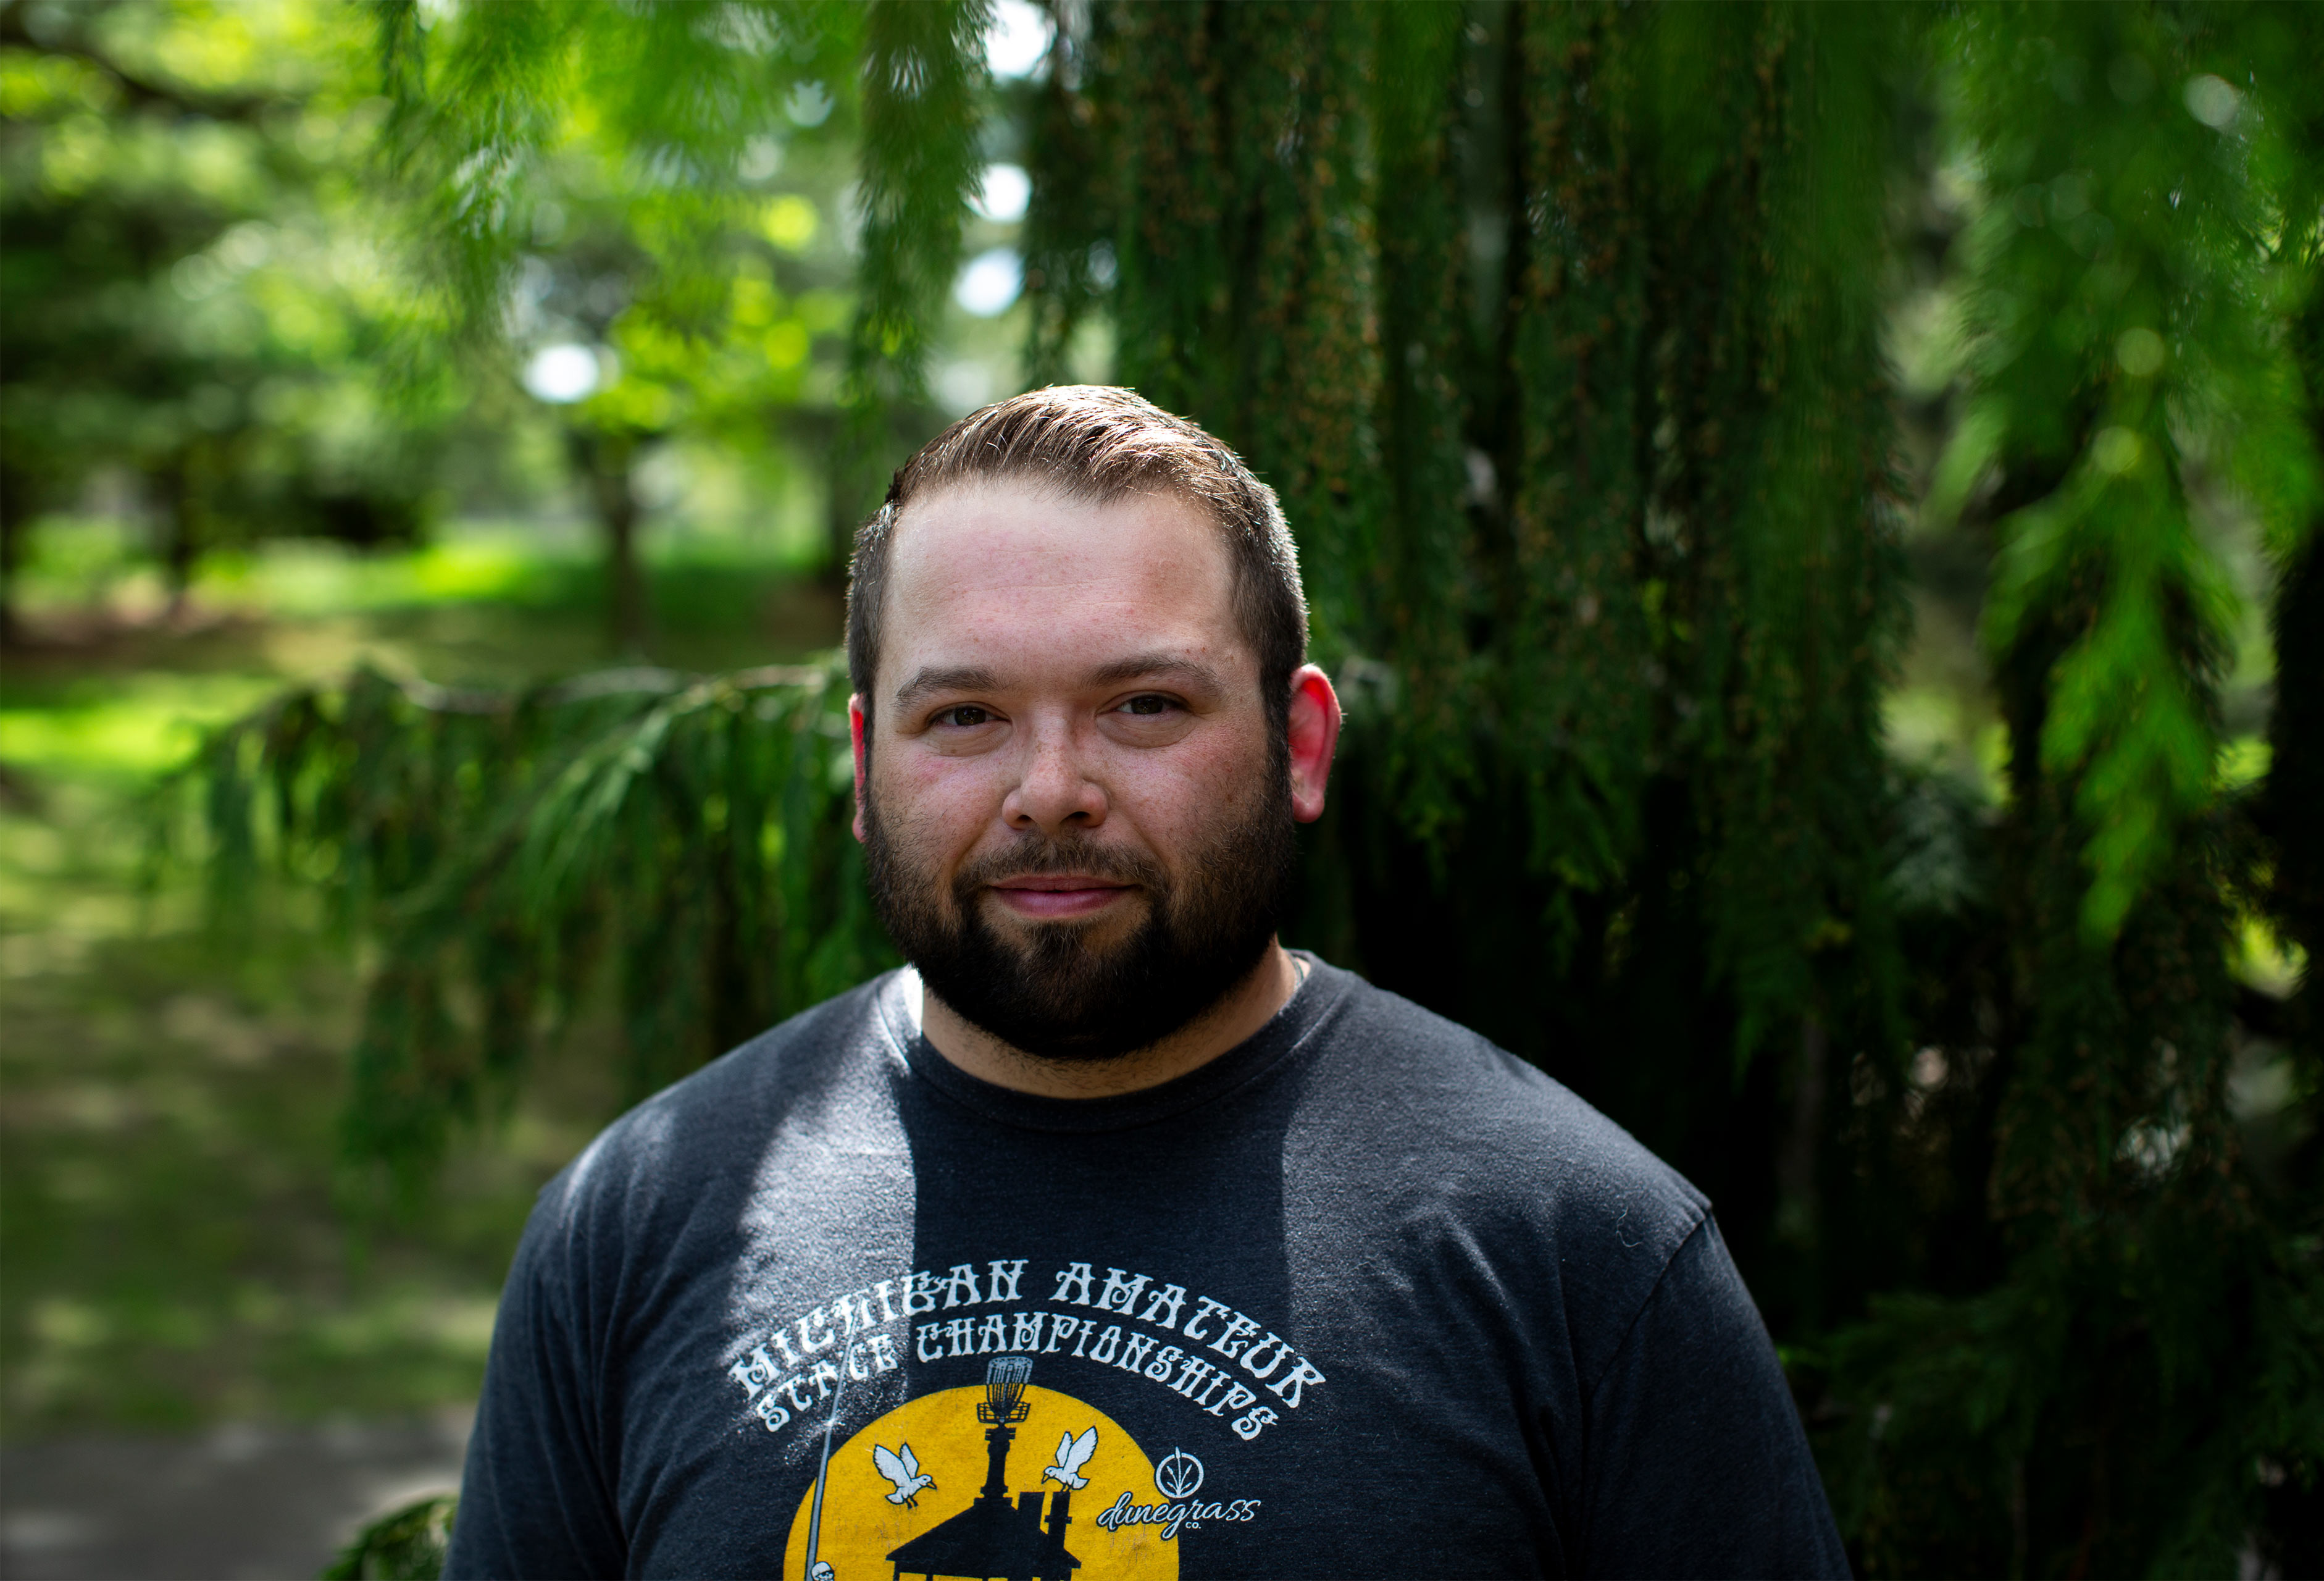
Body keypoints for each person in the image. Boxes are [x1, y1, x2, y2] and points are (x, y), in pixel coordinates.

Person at [445, 386, 1849, 1579]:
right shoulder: (630, 1225)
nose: (1051, 792)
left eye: (1146, 705)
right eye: (967, 715)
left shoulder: (1580, 1247)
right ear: (867, 763)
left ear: (1299, 745)